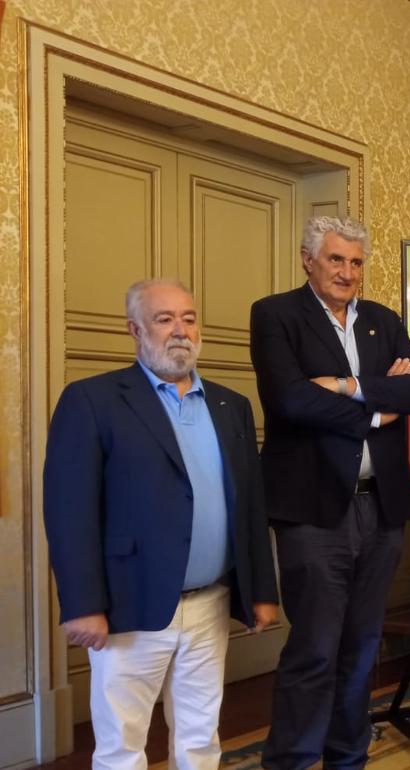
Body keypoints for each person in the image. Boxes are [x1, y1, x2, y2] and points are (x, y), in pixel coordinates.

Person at [44, 279, 278, 770]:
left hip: (209, 603)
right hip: (131, 602)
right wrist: (83, 605)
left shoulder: (230, 405)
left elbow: (250, 507)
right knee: (122, 743)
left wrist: (261, 591)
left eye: (189, 319)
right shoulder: (93, 400)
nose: (180, 331)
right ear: (135, 329)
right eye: (164, 319)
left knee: (199, 735)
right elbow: (69, 512)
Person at [251, 216, 410, 770]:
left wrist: (346, 385)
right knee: (314, 647)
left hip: (379, 505)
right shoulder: (276, 314)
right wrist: (381, 411)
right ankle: (291, 760)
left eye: (356, 262)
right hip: (312, 509)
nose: (347, 272)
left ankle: (346, 757)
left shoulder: (382, 320)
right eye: (336, 260)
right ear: (308, 259)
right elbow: (289, 401)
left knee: (361, 645)